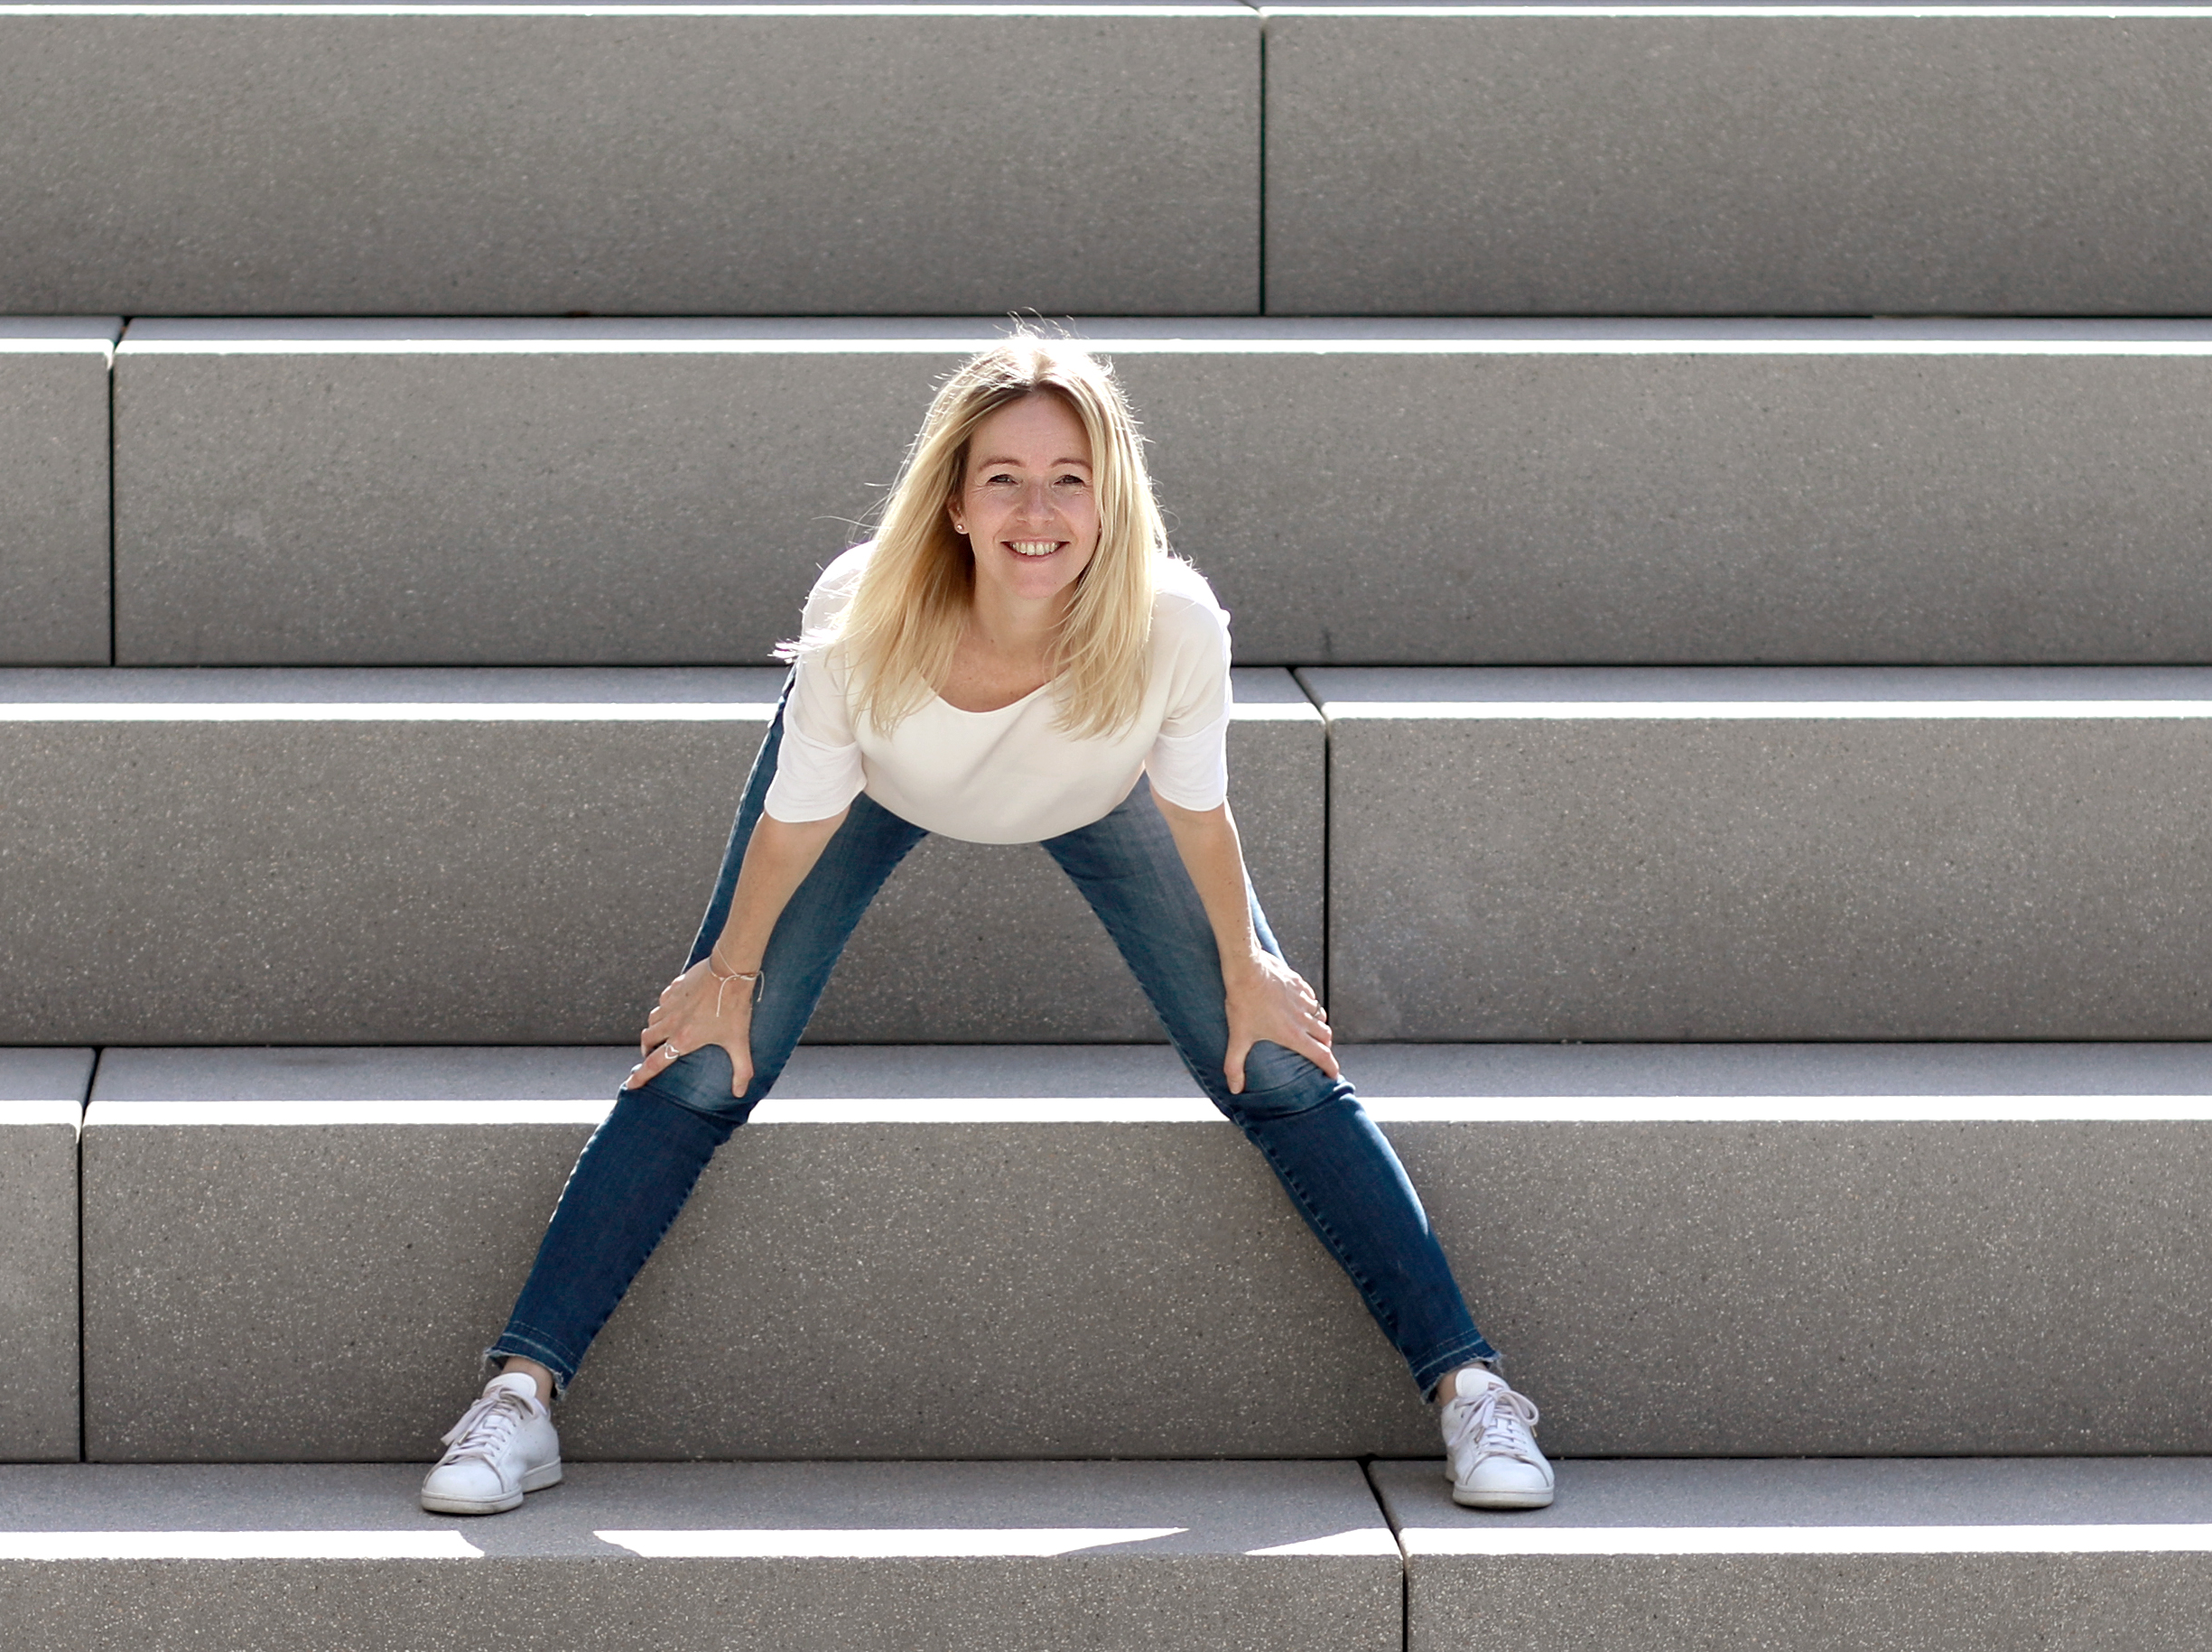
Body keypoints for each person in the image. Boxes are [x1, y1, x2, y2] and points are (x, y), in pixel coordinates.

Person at [419, 334, 1554, 1515]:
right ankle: (520, 1398)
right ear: (954, 500)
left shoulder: (1172, 622)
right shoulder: (862, 612)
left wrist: (1246, 969)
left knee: (1273, 1056)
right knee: (705, 1056)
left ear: (1111, 500)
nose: (1037, 512)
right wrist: (729, 975)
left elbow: (1198, 810)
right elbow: (798, 820)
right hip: (874, 789)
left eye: (1070, 479)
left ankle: (1471, 1389)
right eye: (1003, 477)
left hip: (1093, 790)